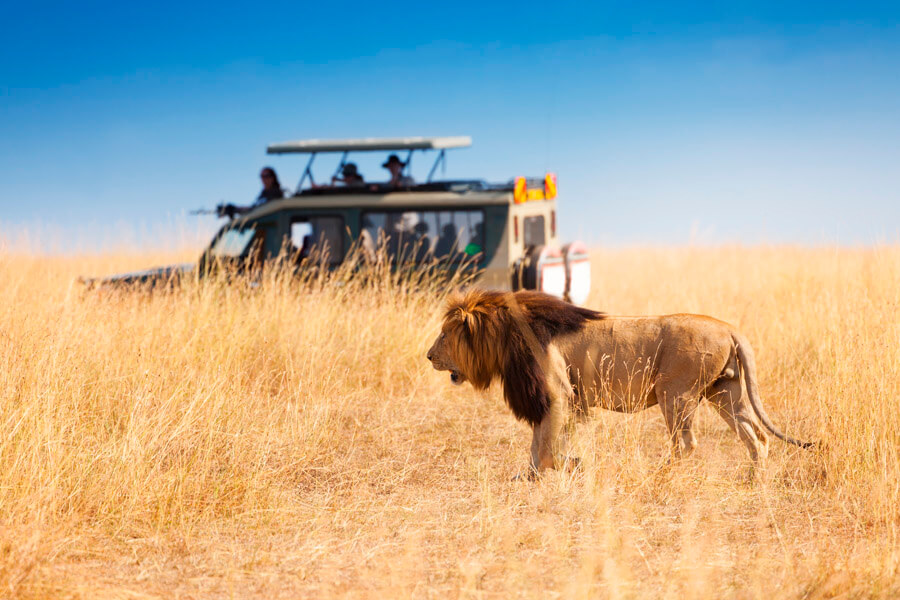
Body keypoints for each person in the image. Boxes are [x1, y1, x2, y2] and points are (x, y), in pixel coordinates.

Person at [217, 167, 285, 219]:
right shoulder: (263, 195)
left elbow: (258, 210)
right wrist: (234, 209)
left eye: (266, 176)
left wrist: (235, 209)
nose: (263, 179)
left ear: (273, 177)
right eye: (261, 176)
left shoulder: (276, 194)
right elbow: (253, 208)